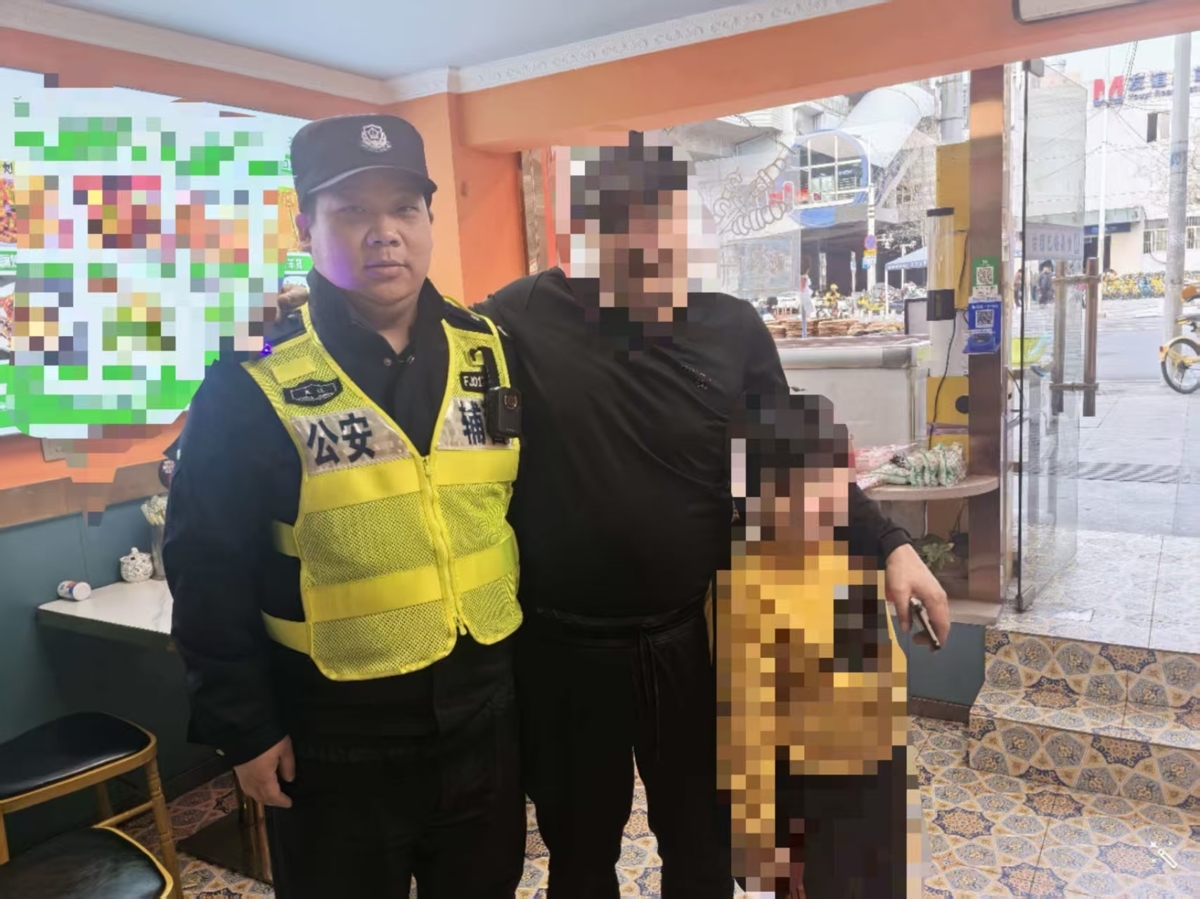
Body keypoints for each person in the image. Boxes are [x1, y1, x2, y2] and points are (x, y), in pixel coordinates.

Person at [475, 134, 949, 899]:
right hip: (562, 652)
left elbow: (795, 457)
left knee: (700, 849)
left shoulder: (729, 328)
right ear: (584, 239)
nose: (654, 247)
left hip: (689, 640)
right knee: (580, 855)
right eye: (629, 228)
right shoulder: (517, 318)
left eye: (668, 224)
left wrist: (892, 544)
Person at [164, 114, 525, 899]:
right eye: (352, 210)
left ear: (429, 221)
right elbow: (205, 563)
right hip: (335, 738)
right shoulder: (251, 375)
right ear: (307, 228)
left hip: (482, 716)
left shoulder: (488, 350)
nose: (383, 232)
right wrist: (245, 728)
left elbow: (514, 511)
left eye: (403, 208)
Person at [720, 391, 926, 899]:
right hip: (811, 808)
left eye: (828, 483)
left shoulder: (848, 553)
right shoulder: (746, 590)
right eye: (790, 492)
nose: (813, 504)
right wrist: (766, 846)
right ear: (751, 495)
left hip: (877, 784)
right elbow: (746, 734)